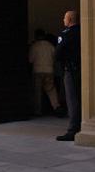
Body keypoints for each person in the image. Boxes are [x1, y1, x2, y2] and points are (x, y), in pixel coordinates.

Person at [55, 10, 81, 141]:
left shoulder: (66, 34)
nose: (63, 20)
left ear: (69, 20)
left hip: (70, 69)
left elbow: (58, 53)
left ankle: (73, 130)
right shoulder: (82, 32)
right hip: (82, 69)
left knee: (72, 100)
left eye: (65, 18)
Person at [28, 29, 63, 116]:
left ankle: (37, 110)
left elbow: (30, 60)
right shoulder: (50, 46)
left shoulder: (34, 46)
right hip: (49, 70)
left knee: (37, 92)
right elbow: (55, 58)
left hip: (37, 70)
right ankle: (56, 106)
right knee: (51, 90)